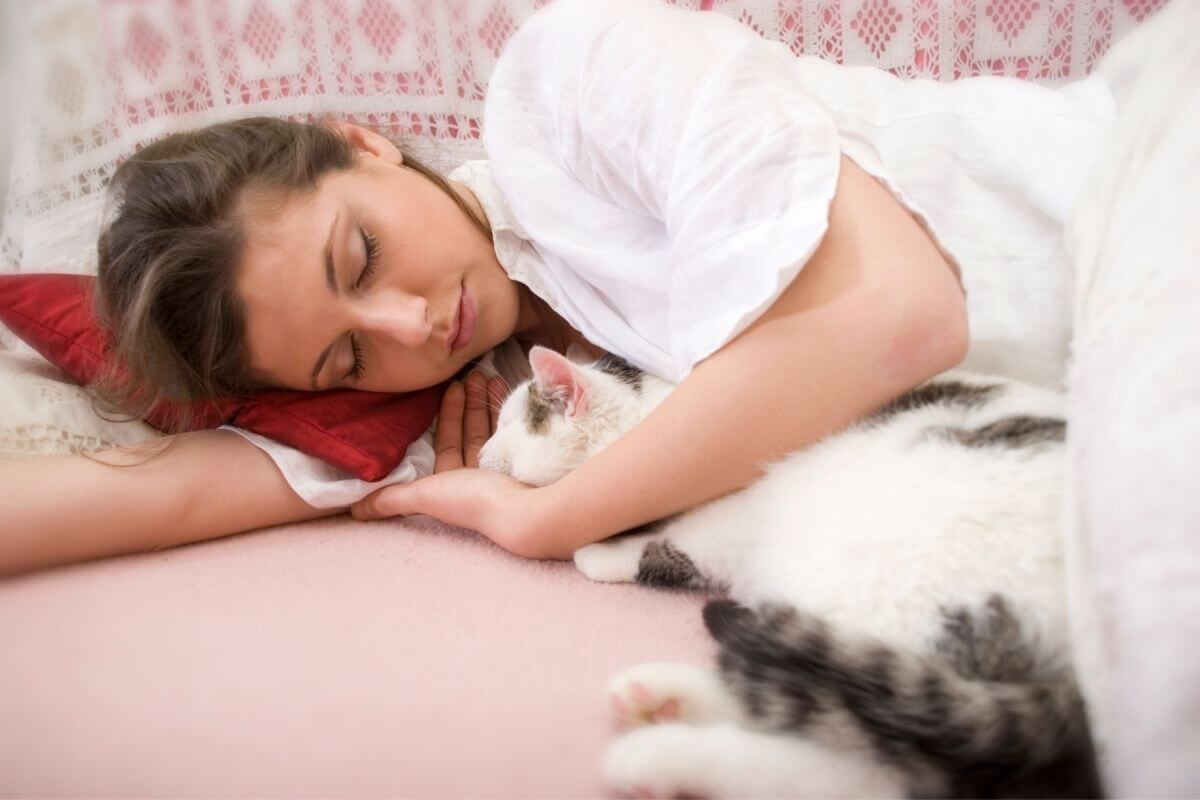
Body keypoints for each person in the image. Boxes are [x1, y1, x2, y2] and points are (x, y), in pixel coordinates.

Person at [0, 0, 1114, 576]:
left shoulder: (573, 80)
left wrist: (552, 521)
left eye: (363, 257)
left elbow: (899, 316)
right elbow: (170, 494)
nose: (410, 328)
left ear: (362, 144)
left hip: (1133, 185)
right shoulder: (475, 408)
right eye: (347, 357)